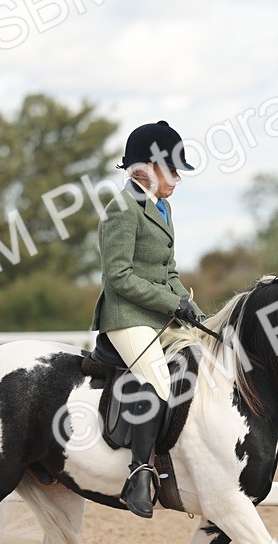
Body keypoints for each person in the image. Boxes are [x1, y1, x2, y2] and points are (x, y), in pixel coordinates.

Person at [91, 120, 204, 518]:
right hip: (126, 317)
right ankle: (139, 473)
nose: (176, 177)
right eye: (171, 169)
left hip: (159, 314)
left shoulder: (162, 206)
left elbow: (167, 268)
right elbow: (118, 276)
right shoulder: (121, 209)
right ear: (147, 168)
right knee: (157, 378)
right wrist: (171, 304)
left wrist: (190, 308)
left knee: (201, 358)